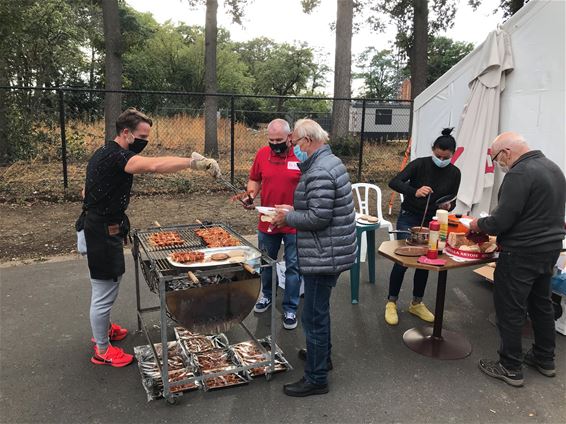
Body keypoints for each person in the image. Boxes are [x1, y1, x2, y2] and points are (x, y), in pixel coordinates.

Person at [79, 108, 220, 368]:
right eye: (142, 136)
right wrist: (193, 163)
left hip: (97, 226)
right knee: (104, 290)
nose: (145, 141)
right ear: (125, 133)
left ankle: (105, 329)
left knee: (106, 284)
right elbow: (154, 165)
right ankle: (102, 349)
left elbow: (85, 190)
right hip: (100, 231)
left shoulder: (102, 152)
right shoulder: (118, 156)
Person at [470, 132, 566, 387]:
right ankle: (545, 359)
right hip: (550, 249)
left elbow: (502, 220)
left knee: (510, 309)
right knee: (541, 305)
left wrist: (478, 223)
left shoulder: (519, 173)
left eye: (497, 159)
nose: (499, 164)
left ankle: (510, 366)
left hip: (521, 252)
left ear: (507, 153)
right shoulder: (553, 167)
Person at [271, 119, 357, 397]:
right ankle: (323, 357)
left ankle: (317, 378)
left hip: (324, 254)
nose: (293, 148)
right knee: (319, 311)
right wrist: (293, 208)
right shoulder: (329, 162)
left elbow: (319, 217)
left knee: (313, 317)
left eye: (294, 143)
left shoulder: (319, 170)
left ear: (307, 142)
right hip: (329, 250)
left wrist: (288, 216)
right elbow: (320, 205)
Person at [386, 128, 461, 325]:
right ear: (433, 150)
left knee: (427, 260)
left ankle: (416, 303)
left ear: (452, 155)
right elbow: (394, 182)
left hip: (433, 221)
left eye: (446, 157)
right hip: (409, 216)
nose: (441, 160)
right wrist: (414, 191)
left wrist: (448, 206)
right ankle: (391, 302)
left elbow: (452, 199)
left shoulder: (455, 173)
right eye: (438, 155)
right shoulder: (420, 164)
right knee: (402, 258)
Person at [238, 119, 303, 330]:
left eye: (279, 140)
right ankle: (266, 295)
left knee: (294, 266)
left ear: (290, 137)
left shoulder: (301, 155)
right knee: (265, 262)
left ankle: (290, 307)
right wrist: (250, 196)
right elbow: (254, 179)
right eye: (271, 140)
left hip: (295, 221)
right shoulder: (262, 154)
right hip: (268, 220)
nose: (275, 144)